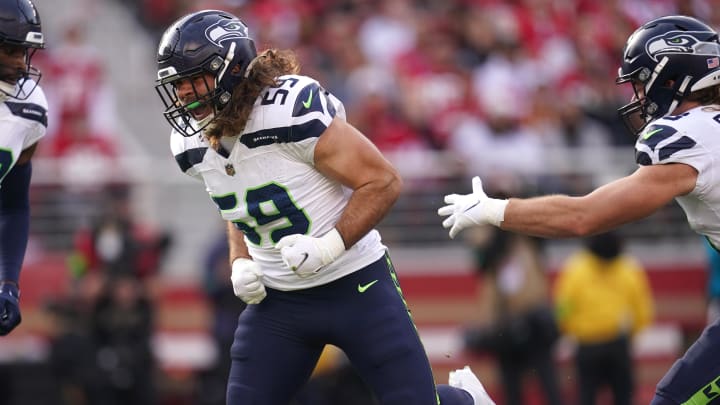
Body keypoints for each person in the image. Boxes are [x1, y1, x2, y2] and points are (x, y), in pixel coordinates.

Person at [155, 9, 494, 405]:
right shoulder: (191, 144)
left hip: (356, 284)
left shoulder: (288, 110)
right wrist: (239, 259)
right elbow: (238, 199)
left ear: (231, 70)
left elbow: (382, 181)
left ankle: (463, 401)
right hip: (280, 300)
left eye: (193, 81)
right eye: (176, 86)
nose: (183, 96)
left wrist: (329, 246)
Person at [438, 14, 720, 405]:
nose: (638, 96)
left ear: (672, 78)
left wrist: (496, 210)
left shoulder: (691, 135)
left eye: (642, 82)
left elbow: (582, 216)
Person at [555, 231, 654, 405]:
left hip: (587, 345)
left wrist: (571, 330)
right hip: (617, 343)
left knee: (587, 397)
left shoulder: (576, 268)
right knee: (624, 397)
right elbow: (643, 310)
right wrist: (631, 335)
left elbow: (563, 309)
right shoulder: (628, 268)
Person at [0, 0, 47, 336]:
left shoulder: (28, 110)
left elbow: (14, 206)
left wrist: (8, 283)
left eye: (24, 51)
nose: (20, 63)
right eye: (11, 50)